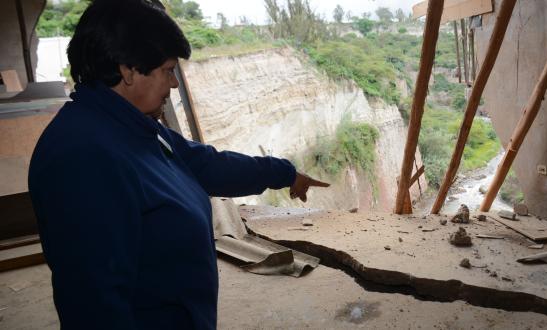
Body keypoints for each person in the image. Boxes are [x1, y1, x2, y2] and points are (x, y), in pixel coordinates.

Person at [28, 0, 328, 329]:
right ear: (128, 70)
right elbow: (94, 304)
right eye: (168, 70)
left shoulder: (135, 127)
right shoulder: (83, 158)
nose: (173, 84)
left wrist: (284, 173)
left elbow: (208, 165)